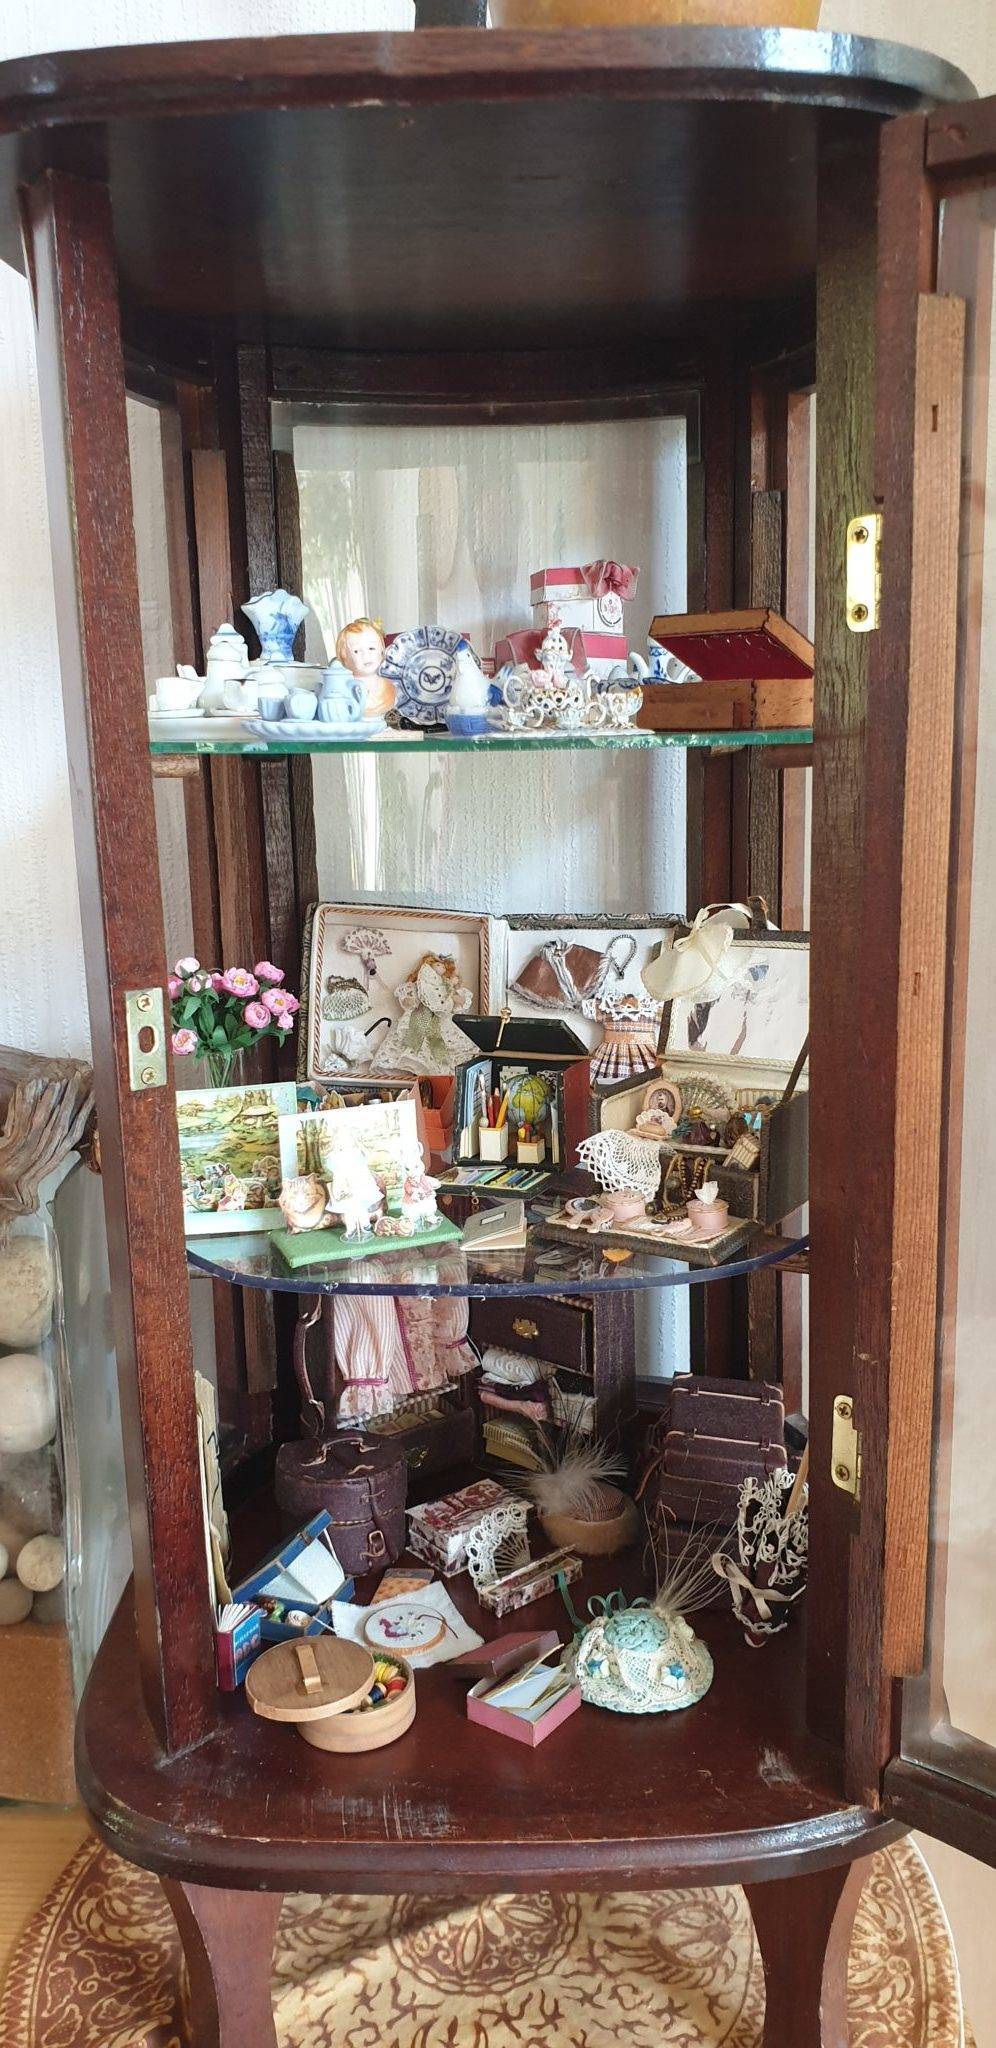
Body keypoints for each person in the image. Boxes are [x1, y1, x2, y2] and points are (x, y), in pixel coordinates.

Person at [335, 617, 396, 721]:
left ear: (381, 650)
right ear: (344, 657)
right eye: (357, 651)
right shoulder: (343, 692)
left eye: (371, 648)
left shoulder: (392, 687)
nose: (366, 655)